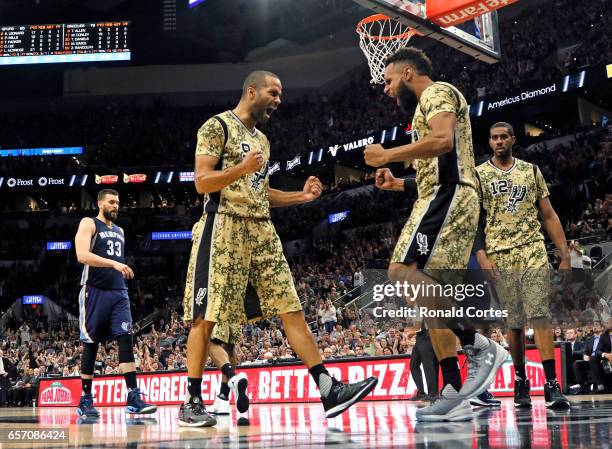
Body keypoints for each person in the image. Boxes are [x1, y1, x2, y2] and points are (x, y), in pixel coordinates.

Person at [180, 70, 378, 427]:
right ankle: (192, 400)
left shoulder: (264, 141)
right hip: (224, 226)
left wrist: (300, 197)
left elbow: (261, 193)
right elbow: (202, 181)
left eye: (281, 94)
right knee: (206, 315)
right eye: (273, 92)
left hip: (262, 231)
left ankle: (327, 389)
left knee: (292, 308)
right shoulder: (217, 126)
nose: (278, 100)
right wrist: (240, 167)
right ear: (251, 91)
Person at [365, 47, 507, 421]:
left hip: (449, 196)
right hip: (440, 194)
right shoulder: (422, 107)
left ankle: (477, 344)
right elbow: (435, 167)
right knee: (430, 299)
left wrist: (387, 156)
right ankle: (450, 389)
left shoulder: (436, 92)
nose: (386, 89)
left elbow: (444, 141)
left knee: (399, 270)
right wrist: (398, 184)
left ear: (408, 73)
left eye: (389, 80)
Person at [473, 122, 570, 408]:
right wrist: (481, 255)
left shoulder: (531, 171)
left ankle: (551, 385)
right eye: (494, 137)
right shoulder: (479, 175)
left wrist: (564, 255)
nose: (499, 141)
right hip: (499, 254)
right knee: (514, 324)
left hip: (532, 249)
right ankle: (520, 381)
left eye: (504, 136)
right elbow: (474, 221)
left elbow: (549, 215)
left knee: (540, 314)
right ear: (489, 142)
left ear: (513, 140)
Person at [74, 189, 157, 417]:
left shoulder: (120, 230)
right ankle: (85, 398)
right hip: (94, 290)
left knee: (126, 338)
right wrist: (114, 264)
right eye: (111, 202)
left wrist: (119, 268)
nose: (115, 206)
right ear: (100, 203)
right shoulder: (89, 223)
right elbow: (81, 255)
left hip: (119, 291)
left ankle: (133, 396)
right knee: (91, 343)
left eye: (118, 202)